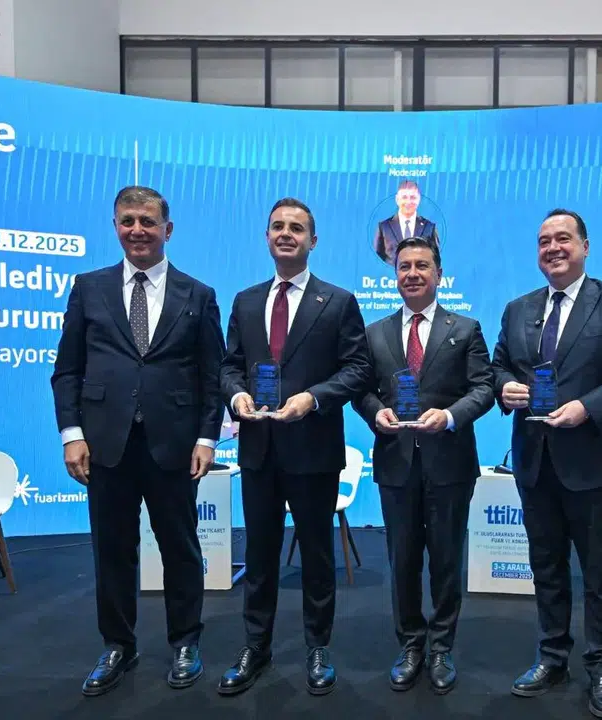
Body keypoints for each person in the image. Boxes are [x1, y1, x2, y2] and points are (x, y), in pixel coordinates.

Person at [50, 186, 225, 697]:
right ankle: (117, 645)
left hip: (174, 444)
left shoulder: (198, 294)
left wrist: (207, 438)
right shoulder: (88, 288)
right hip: (106, 445)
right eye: (127, 220)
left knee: (181, 548)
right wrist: (72, 434)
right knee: (112, 551)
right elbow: (68, 370)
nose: (137, 230)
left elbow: (211, 376)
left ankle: (186, 641)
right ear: (115, 226)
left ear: (167, 229)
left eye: (147, 221)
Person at [491, 208, 602, 718]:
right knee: (546, 567)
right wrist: (505, 387)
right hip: (535, 461)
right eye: (544, 241)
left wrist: (588, 407)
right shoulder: (518, 309)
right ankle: (552, 657)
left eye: (563, 238)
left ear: (585, 246)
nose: (553, 248)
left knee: (600, 573)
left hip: (594, 462)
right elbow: (499, 365)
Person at [218, 197, 372, 697]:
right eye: (278, 226)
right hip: (259, 449)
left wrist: (313, 398)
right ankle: (256, 647)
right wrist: (236, 394)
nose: (286, 234)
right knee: (259, 554)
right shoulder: (245, 301)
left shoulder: (339, 302)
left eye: (297, 228)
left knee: (317, 556)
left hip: (313, 449)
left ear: (313, 240)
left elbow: (358, 369)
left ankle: (317, 646)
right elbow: (229, 366)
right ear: (267, 236)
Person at [351, 236, 493, 694]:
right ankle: (411, 644)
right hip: (396, 463)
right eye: (404, 266)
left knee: (447, 561)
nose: (412, 273)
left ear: (438, 274)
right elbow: (361, 389)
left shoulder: (465, 329)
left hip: (450, 464)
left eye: (422, 266)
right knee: (403, 561)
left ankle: (441, 647)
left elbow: (484, 389)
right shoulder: (374, 333)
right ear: (395, 274)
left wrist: (450, 416)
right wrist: (375, 412)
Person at [374, 180, 439, 265]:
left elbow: (436, 259)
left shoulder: (429, 227)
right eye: (404, 197)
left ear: (419, 199)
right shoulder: (383, 227)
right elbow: (376, 259)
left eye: (413, 197)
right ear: (397, 199)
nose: (408, 202)